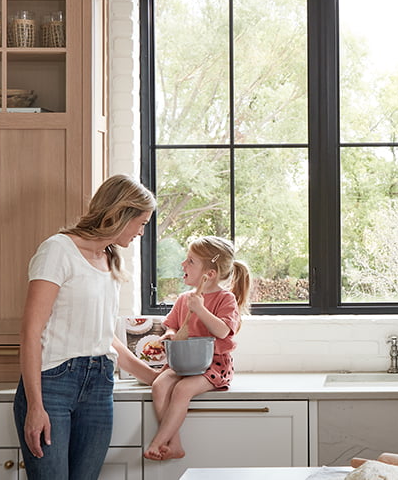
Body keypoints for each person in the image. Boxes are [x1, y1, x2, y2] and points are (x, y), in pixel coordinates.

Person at [14, 174, 161, 479]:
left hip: (99, 385)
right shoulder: (57, 250)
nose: (141, 232)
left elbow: (105, 338)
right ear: (121, 214)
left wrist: (153, 377)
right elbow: (30, 333)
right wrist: (35, 406)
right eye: (142, 223)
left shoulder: (110, 258)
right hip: (53, 384)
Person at [143, 235, 252, 460]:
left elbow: (222, 331)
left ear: (209, 274)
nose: (183, 264)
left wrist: (201, 310)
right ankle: (175, 444)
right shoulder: (183, 299)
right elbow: (172, 327)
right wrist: (170, 336)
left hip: (214, 364)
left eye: (190, 261)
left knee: (182, 390)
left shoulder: (226, 299)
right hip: (183, 363)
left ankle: (158, 441)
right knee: (159, 385)